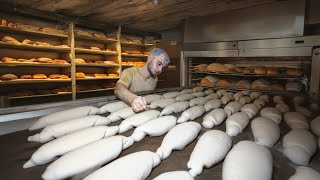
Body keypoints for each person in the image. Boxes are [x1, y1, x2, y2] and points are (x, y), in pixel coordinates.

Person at [114, 48, 170, 112]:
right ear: (150, 58)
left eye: (162, 67)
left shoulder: (155, 79)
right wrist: (132, 99)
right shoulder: (130, 72)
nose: (160, 70)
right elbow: (118, 89)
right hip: (126, 111)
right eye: (159, 64)